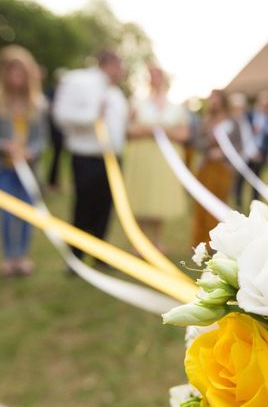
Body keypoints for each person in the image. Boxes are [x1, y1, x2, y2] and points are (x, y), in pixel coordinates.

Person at [0, 45, 47, 277]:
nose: (16, 77)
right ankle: (8, 256)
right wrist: (3, 146)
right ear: (3, 72)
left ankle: (22, 256)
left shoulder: (37, 103)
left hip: (28, 169)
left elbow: (42, 139)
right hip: (4, 168)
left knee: (27, 212)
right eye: (11, 71)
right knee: (6, 212)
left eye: (21, 71)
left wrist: (30, 152)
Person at [53, 50, 128, 262]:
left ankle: (100, 255)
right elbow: (61, 115)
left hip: (113, 159)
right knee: (84, 206)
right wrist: (93, 115)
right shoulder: (78, 80)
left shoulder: (116, 93)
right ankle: (76, 256)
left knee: (105, 208)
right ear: (109, 63)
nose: (122, 71)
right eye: (120, 65)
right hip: (87, 158)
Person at [125, 64, 188, 248]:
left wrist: (161, 131)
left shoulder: (175, 107)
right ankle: (139, 241)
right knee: (142, 194)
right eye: (151, 75)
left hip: (165, 158)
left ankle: (156, 240)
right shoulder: (138, 103)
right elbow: (129, 131)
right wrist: (150, 130)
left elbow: (184, 134)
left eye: (157, 75)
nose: (154, 79)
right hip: (143, 156)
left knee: (160, 196)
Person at [192, 89, 240, 246]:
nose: (214, 101)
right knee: (202, 203)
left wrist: (223, 153)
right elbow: (197, 142)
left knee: (219, 203)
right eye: (211, 98)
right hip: (206, 167)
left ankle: (217, 242)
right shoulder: (205, 121)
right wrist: (209, 147)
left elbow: (238, 145)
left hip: (223, 169)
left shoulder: (232, 122)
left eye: (216, 98)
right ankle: (200, 241)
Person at [236, 90, 268, 204]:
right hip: (247, 153)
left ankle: (255, 202)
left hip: (261, 154)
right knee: (241, 178)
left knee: (257, 179)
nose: (265, 106)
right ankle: (238, 202)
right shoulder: (249, 115)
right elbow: (242, 133)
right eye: (263, 103)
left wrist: (263, 154)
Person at [228, 92, 260, 208]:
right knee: (237, 182)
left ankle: (247, 202)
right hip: (236, 156)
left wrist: (253, 152)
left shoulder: (246, 120)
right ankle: (237, 203)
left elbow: (248, 138)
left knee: (245, 180)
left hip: (246, 156)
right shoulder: (230, 121)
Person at [46, 67, 66, 189]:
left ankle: (54, 181)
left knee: (58, 156)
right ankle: (50, 182)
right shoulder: (50, 93)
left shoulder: (65, 94)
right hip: (50, 129)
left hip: (60, 130)